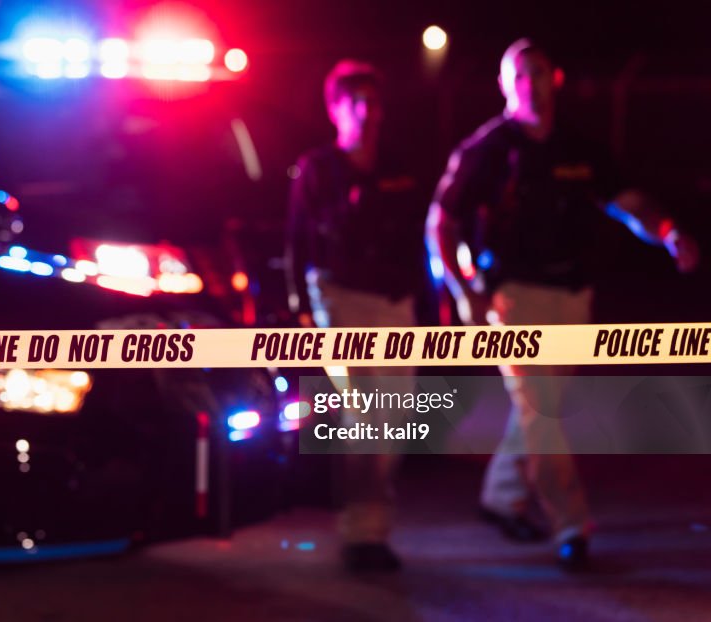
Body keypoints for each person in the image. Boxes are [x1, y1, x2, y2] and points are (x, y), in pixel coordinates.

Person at [426, 38, 700, 570]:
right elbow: (442, 220)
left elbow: (626, 202)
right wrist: (464, 291)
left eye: (538, 72)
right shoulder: (487, 149)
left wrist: (668, 233)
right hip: (514, 297)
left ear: (557, 79)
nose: (529, 83)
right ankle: (571, 524)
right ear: (505, 86)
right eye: (519, 75)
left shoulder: (579, 146)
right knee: (541, 408)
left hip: (572, 297)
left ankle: (501, 497)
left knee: (536, 407)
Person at [285, 59, 428, 572]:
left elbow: (422, 240)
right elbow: (298, 244)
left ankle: (372, 523)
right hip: (339, 298)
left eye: (373, 102)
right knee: (363, 414)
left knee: (398, 416)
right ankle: (362, 533)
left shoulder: (402, 167)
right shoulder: (317, 169)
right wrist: (301, 310)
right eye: (355, 102)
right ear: (335, 109)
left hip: (394, 302)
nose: (366, 112)